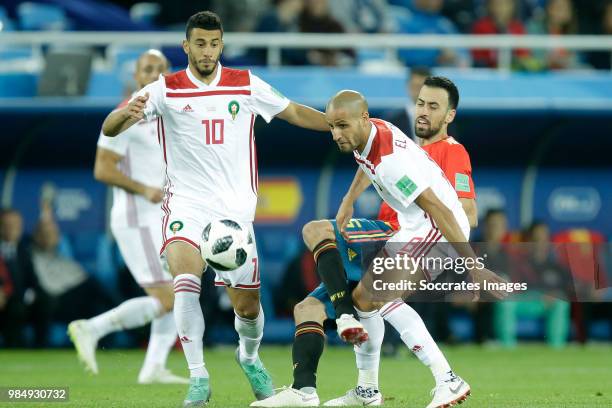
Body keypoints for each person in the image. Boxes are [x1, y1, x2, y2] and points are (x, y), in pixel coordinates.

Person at [100, 11, 329, 407]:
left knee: (248, 307)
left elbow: (292, 111)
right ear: (186, 46)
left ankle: (249, 356)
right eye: (199, 43)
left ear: (222, 44)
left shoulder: (245, 84)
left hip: (235, 217)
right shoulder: (164, 89)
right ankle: (198, 376)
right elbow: (109, 128)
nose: (207, 51)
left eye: (214, 43)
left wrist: (339, 126)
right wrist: (124, 115)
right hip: (185, 206)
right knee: (185, 280)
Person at [253, 78, 481, 408]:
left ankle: (448, 379)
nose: (335, 135)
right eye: (331, 126)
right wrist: (348, 200)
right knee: (361, 299)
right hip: (413, 226)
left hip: (433, 229)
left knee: (378, 295)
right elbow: (366, 162)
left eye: (341, 126)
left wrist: (471, 265)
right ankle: (365, 390)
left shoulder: (401, 160)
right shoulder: (374, 130)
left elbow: (441, 209)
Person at [67, 50, 188, 384]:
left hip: (163, 218)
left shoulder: (167, 115)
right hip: (137, 218)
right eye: (147, 69)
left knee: (181, 290)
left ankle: (153, 367)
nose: (153, 74)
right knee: (165, 298)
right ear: (136, 76)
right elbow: (102, 169)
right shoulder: (124, 115)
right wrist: (143, 189)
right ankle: (91, 328)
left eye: (160, 69)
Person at [384, 66, 431, 141]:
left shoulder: (445, 121)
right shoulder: (392, 121)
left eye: (423, 88)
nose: (420, 92)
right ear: (408, 87)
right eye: (416, 87)